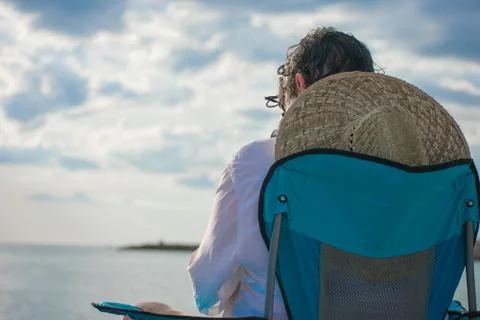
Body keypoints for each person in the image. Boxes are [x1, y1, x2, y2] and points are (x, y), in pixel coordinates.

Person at [125, 27, 376, 319]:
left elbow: (209, 285)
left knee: (144, 312)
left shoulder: (255, 163)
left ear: (299, 84)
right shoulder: (401, 175)